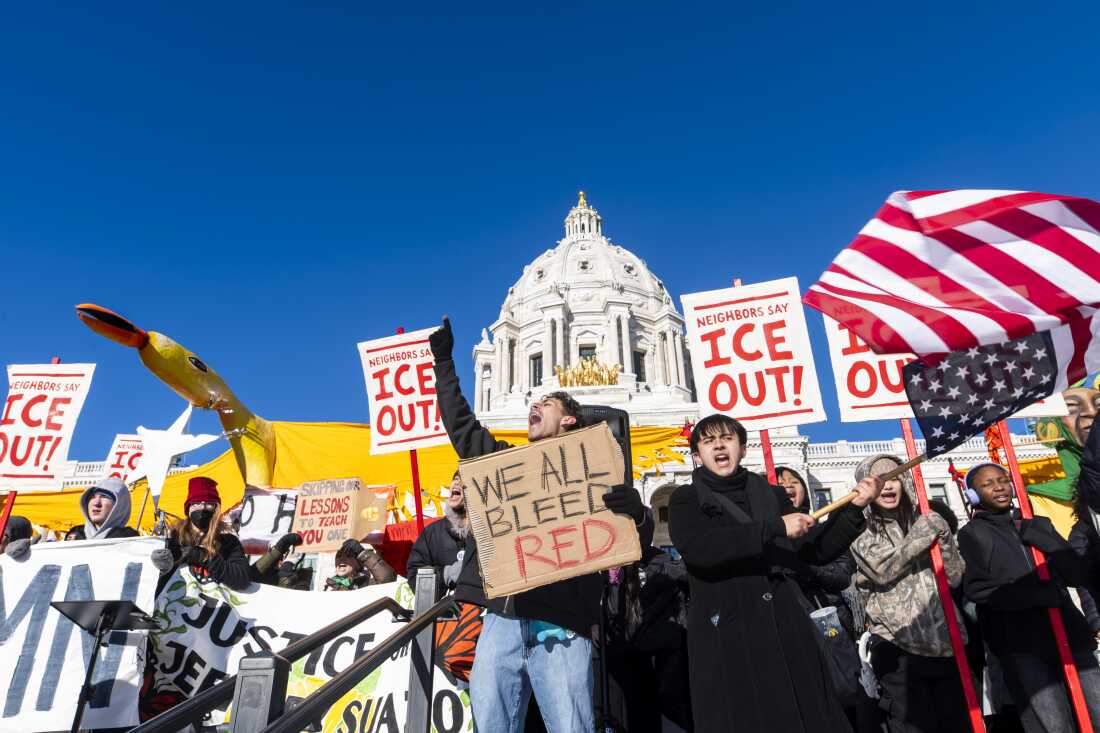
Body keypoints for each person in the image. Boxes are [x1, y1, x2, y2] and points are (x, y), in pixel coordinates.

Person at [430, 317, 651, 733]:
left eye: (547, 403)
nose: (535, 404)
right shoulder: (504, 465)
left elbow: (632, 541)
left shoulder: (595, 473)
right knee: (492, 723)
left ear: (569, 420)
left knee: (572, 726)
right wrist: (443, 362)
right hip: (503, 615)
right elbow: (462, 427)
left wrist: (636, 512)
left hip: (563, 620)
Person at [668, 415, 881, 733]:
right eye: (709, 441)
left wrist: (854, 508)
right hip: (727, 630)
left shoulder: (771, 495)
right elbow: (701, 550)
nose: (719, 445)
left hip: (785, 626)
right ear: (697, 456)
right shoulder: (685, 498)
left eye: (727, 438)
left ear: (742, 448)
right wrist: (774, 527)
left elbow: (812, 551)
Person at [959, 461, 1100, 731]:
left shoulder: (1038, 523)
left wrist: (1046, 540)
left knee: (1096, 710)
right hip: (1023, 646)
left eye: (1002, 479)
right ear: (973, 496)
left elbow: (1076, 574)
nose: (999, 487)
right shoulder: (972, 534)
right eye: (987, 484)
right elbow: (980, 590)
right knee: (1053, 725)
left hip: (1070, 636)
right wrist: (1036, 595)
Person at [850, 454, 969, 733]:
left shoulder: (924, 518)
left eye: (894, 478)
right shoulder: (861, 529)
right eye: (879, 481)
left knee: (958, 723)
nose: (888, 486)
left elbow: (954, 576)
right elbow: (883, 570)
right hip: (898, 644)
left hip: (945, 642)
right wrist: (922, 535)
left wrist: (944, 539)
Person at [150, 476, 251, 591]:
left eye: (208, 504)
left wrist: (204, 557)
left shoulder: (228, 541)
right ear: (188, 508)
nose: (202, 508)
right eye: (197, 503)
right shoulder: (172, 537)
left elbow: (242, 579)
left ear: (215, 509)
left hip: (211, 604)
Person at [406, 470, 476, 598]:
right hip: (447, 613)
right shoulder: (432, 533)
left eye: (464, 479)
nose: (457, 483)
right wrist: (446, 574)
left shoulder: (487, 530)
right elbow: (414, 579)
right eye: (455, 478)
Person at [74, 477, 140, 541]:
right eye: (92, 497)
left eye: (104, 496)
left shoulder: (127, 538)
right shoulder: (75, 535)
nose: (96, 503)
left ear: (119, 506)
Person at [323, 538, 397, 590]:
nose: (341, 560)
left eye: (348, 556)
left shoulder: (366, 585)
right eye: (339, 557)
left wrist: (362, 553)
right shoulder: (329, 588)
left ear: (357, 565)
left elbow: (386, 579)